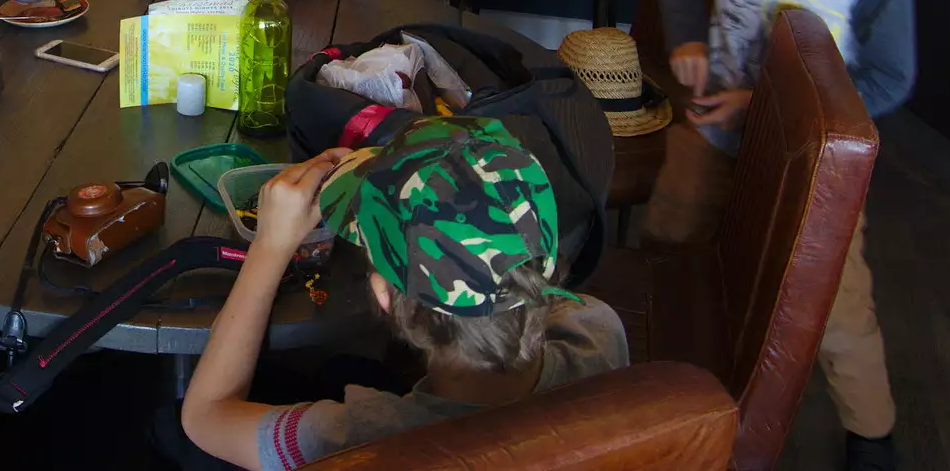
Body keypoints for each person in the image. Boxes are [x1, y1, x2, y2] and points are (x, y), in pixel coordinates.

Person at [645, 0, 913, 471]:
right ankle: (662, 394)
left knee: (833, 305)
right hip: (709, 133)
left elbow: (888, 77)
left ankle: (871, 432)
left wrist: (764, 107)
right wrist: (690, 38)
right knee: (672, 242)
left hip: (816, 169)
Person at [181, 118, 628, 470]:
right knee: (340, 369)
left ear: (385, 296)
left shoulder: (359, 438)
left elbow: (205, 416)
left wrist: (269, 246)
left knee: (166, 429)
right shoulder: (597, 332)